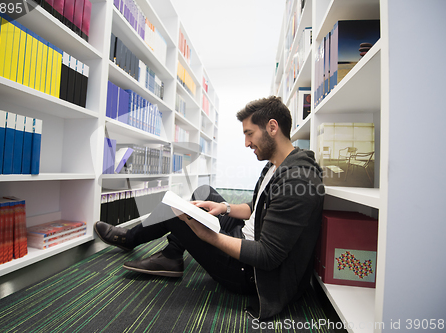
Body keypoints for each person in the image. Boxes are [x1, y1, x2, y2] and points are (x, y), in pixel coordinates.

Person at [94, 96, 325, 319]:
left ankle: (131, 239)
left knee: (174, 210)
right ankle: (172, 255)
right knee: (203, 193)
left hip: (250, 273)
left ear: (272, 127)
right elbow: (256, 208)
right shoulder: (276, 165)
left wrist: (210, 237)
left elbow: (267, 256)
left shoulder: (297, 180)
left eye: (249, 133)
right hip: (244, 235)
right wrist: (223, 207)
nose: (246, 143)